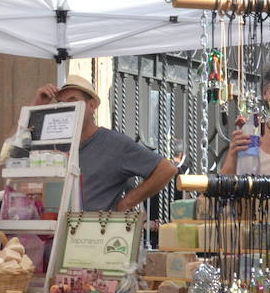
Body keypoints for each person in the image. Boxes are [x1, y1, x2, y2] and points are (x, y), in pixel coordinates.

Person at [27, 76, 178, 212]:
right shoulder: (54, 141)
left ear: (91, 106)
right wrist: (35, 107)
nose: (67, 108)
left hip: (95, 235)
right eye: (62, 103)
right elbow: (11, 153)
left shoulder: (114, 143)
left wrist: (127, 202)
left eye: (73, 101)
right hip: (53, 233)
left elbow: (166, 169)